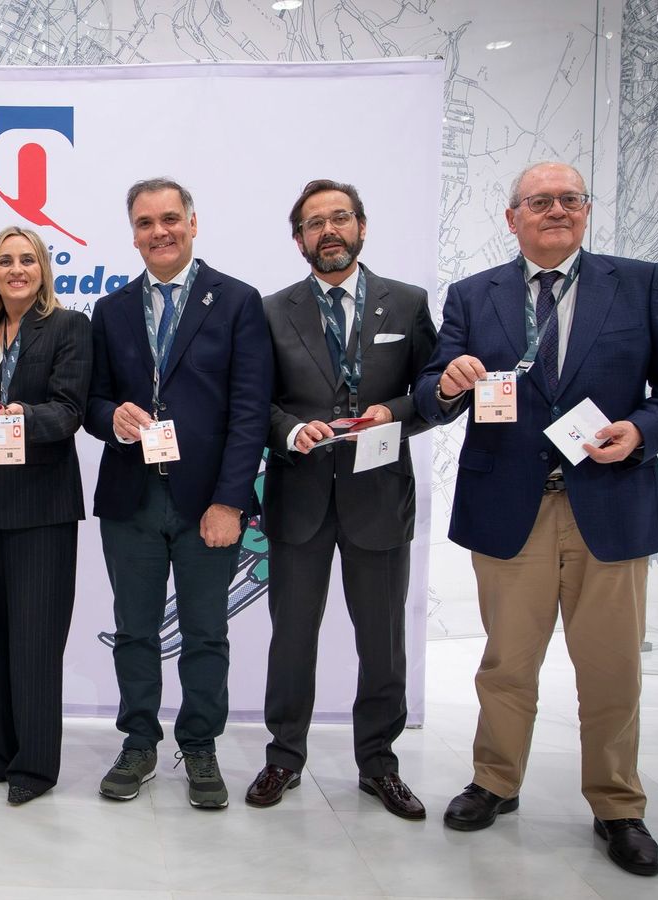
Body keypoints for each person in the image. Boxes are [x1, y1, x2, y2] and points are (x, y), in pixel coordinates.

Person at [416, 161, 658, 876]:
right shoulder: (472, 293)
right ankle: (494, 780)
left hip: (609, 503)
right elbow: (432, 390)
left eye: (568, 200)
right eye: (538, 202)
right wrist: (448, 382)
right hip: (509, 506)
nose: (555, 210)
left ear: (585, 212)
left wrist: (641, 430)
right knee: (506, 662)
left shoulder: (637, 283)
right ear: (512, 216)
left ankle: (617, 804)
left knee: (609, 668)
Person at [249, 179, 438, 818]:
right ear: (298, 238)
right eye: (314, 223)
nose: (328, 231)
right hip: (298, 498)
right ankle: (283, 758)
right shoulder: (271, 311)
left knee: (382, 642)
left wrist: (399, 412)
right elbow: (256, 404)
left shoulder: (408, 304)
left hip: (380, 499)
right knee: (291, 638)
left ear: (362, 226)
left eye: (340, 219)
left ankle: (379, 764)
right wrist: (289, 430)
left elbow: (437, 388)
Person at [85, 178, 272, 808]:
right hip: (131, 499)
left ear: (193, 223)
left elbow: (250, 412)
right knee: (135, 630)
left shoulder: (239, 301)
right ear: (132, 232)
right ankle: (138, 741)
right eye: (145, 222)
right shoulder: (110, 310)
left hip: (207, 504)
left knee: (205, 634)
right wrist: (110, 418)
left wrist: (231, 501)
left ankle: (199, 744)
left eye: (170, 219)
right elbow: (93, 400)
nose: (158, 232)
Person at [0, 226, 92, 806]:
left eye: (27, 259)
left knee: (35, 640)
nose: (16, 269)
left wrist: (22, 416)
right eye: (5, 261)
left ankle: (34, 767)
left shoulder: (68, 327)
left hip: (40, 505)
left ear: (42, 268)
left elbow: (69, 412)